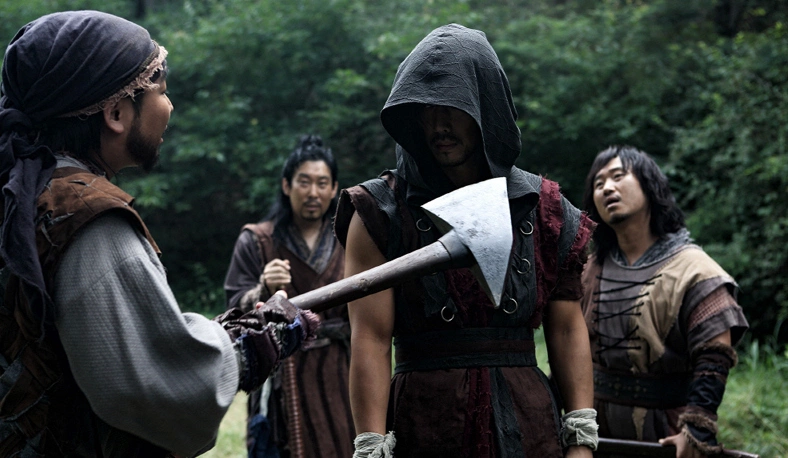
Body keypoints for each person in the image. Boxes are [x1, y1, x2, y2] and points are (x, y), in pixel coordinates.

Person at [0, 11, 317, 457]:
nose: (169, 107)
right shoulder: (89, 219)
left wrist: (215, 334)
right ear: (115, 113)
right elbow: (160, 390)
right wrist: (247, 348)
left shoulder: (19, 195)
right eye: (162, 91)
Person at [333, 24, 598, 458]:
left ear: (485, 106)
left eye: (453, 107)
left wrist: (581, 438)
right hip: (424, 425)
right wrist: (371, 445)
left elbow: (567, 328)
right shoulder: (379, 213)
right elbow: (371, 339)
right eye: (426, 109)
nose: (438, 124)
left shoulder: (544, 211)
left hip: (527, 427)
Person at [580, 146, 749, 458]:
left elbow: (715, 354)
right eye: (598, 183)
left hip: (666, 432)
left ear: (648, 185)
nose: (607, 188)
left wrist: (696, 428)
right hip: (595, 431)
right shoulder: (590, 270)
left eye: (618, 176)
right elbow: (569, 344)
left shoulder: (694, 270)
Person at [224, 134, 353, 458]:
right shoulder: (257, 241)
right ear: (286, 186)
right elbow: (232, 314)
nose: (313, 193)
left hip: (339, 373)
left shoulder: (350, 240)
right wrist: (263, 288)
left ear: (334, 189)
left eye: (322, 183)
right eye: (304, 182)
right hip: (281, 374)